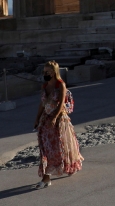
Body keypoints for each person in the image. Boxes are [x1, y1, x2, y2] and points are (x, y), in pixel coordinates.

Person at [33, 60, 83, 189]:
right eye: (44, 72)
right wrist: (37, 118)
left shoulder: (60, 84)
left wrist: (55, 117)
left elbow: (61, 103)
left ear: (54, 72)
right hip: (45, 119)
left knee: (62, 146)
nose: (45, 74)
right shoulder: (44, 86)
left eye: (48, 72)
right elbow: (42, 104)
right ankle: (46, 177)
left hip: (59, 119)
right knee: (45, 147)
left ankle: (70, 165)